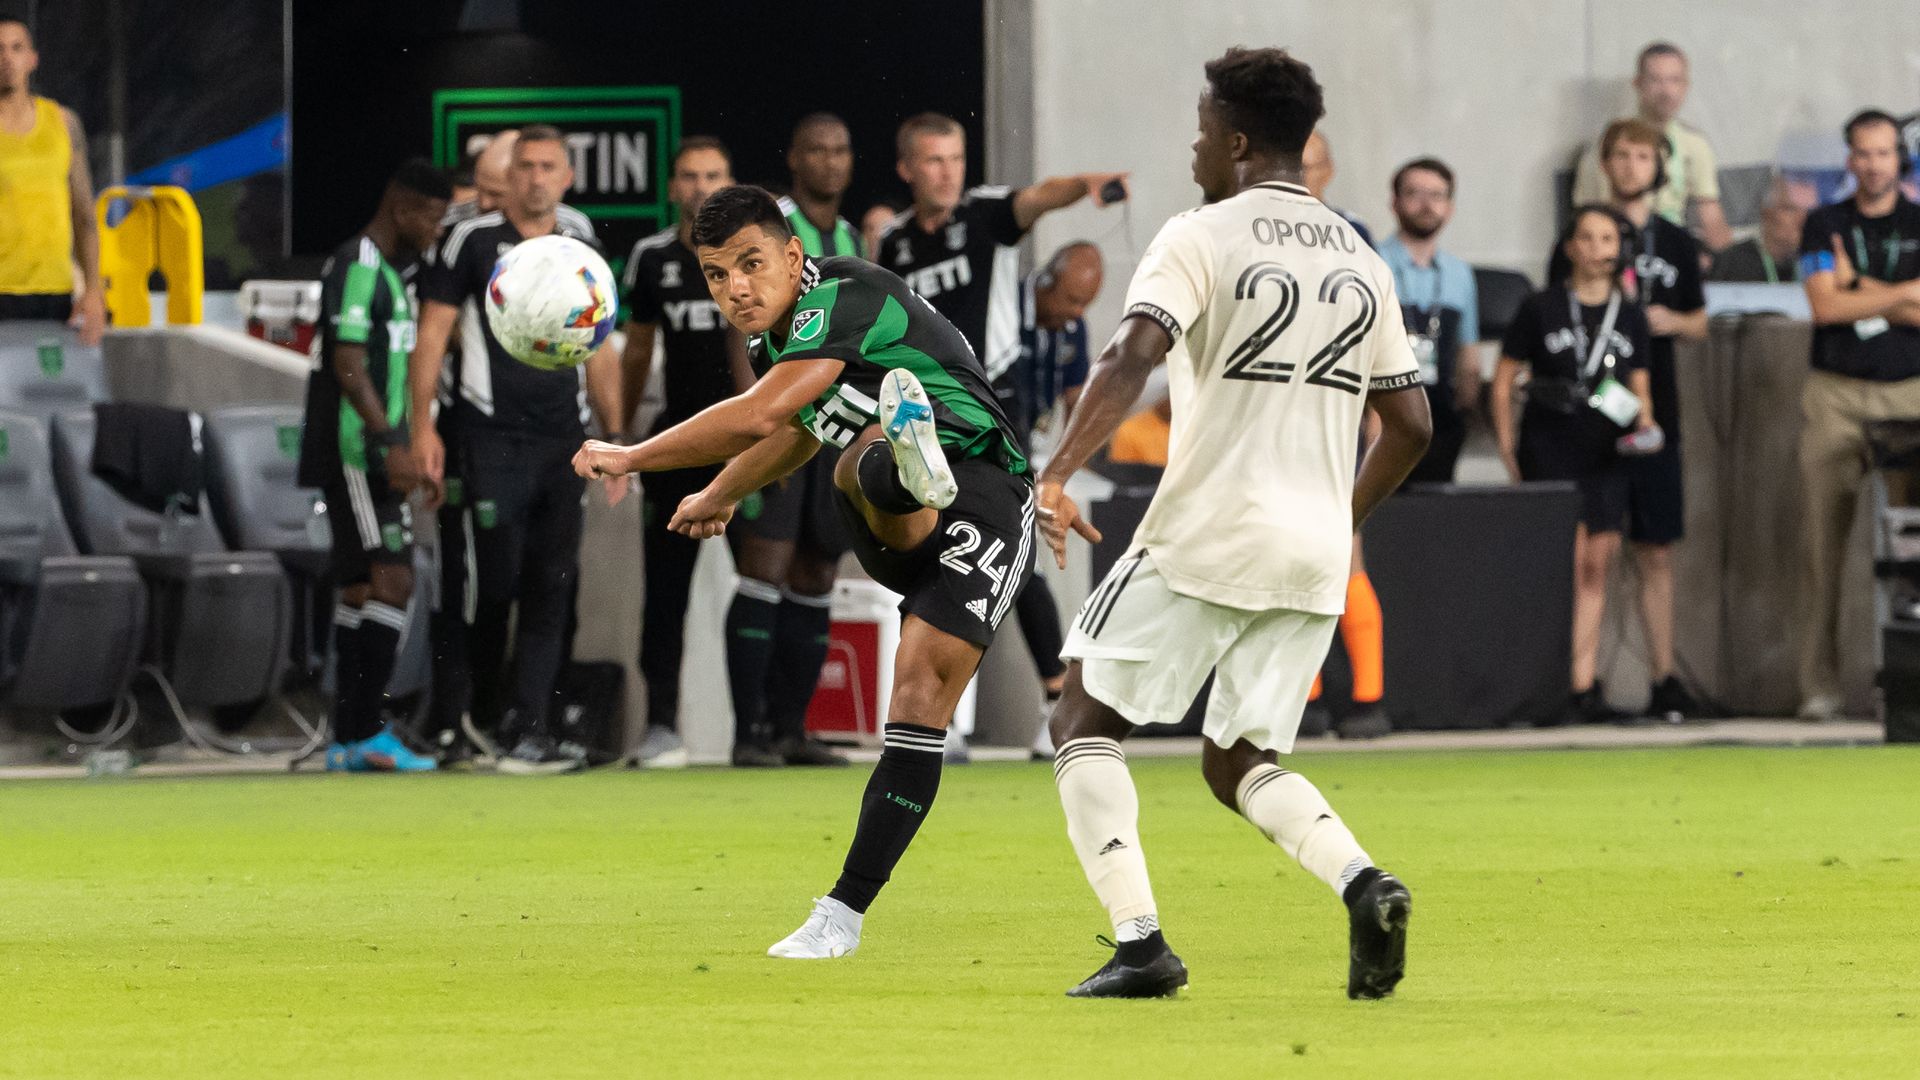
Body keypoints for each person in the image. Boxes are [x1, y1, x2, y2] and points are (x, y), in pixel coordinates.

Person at [1034, 47, 1433, 1000]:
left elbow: (1131, 356)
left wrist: (1055, 472)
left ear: (1241, 141)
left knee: (1080, 714)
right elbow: (1412, 423)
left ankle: (1140, 946)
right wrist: (1342, 518)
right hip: (1311, 550)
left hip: (1206, 529)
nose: (1195, 145)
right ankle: (1365, 882)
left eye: (1206, 128)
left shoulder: (1201, 234)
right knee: (1241, 758)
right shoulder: (1362, 257)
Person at [572, 184, 1035, 960]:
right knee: (853, 455)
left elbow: (758, 414)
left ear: (794, 256)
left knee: (918, 697)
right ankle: (908, 476)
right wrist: (720, 492)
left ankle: (842, 918)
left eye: (751, 264)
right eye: (717, 275)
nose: (736, 289)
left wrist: (634, 454)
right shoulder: (776, 343)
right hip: (906, 519)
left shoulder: (845, 294)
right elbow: (793, 431)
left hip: (987, 494)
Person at [875, 111, 1124, 759]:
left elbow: (1038, 196)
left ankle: (1056, 700)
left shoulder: (983, 215)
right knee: (930, 556)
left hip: (991, 410)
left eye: (955, 159)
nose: (947, 172)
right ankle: (939, 717)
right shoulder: (895, 244)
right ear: (906, 168)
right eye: (932, 161)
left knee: (1012, 560)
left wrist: (1083, 185)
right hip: (925, 416)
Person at [409, 125, 623, 774]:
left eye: (547, 166)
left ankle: (529, 728)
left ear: (567, 176)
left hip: (565, 440)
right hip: (489, 438)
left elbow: (603, 342)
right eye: (524, 166)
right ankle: (468, 716)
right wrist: (421, 425)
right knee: (491, 587)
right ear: (507, 176)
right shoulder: (472, 241)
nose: (534, 178)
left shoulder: (583, 240)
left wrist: (616, 440)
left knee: (551, 587)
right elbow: (431, 335)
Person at [718, 116, 871, 770]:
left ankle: (790, 729)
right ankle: (747, 734)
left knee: (816, 571)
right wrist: (758, 416)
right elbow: (742, 318)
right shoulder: (771, 226)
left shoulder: (853, 236)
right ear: (794, 157)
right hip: (783, 423)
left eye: (840, 150)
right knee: (765, 567)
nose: (830, 162)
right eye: (816, 150)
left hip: (834, 428)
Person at [295, 159, 452, 772]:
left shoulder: (390, 269)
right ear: (402, 207)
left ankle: (348, 737)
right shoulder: (359, 264)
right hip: (359, 450)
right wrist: (391, 443)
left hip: (372, 446)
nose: (436, 231)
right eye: (433, 218)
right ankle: (365, 732)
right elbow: (349, 362)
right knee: (395, 580)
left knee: (362, 586)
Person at [619, 137, 756, 769]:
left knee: (761, 586)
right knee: (666, 591)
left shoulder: (755, 257)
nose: (702, 187)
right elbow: (639, 351)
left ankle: (761, 729)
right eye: (690, 176)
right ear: (673, 186)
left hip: (755, 443)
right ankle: (661, 726)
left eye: (714, 176)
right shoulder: (651, 259)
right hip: (680, 442)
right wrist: (623, 436)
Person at [1494, 206, 1658, 725]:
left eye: (1607, 238)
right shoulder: (1539, 307)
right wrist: (1506, 448)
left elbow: (1639, 389)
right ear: (1569, 246)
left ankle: (1583, 684)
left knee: (1596, 569)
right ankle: (1548, 684)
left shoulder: (1629, 314)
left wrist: (1646, 429)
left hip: (1606, 451)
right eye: (1585, 237)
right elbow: (1502, 381)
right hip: (1549, 443)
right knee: (1558, 568)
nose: (1596, 248)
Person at [1796, 109, 1920, 723]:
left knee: (1913, 550)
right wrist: (1903, 293)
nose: (1873, 164)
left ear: (1901, 158)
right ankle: (1820, 687)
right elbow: (1823, 307)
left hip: (1911, 395)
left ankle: (1908, 688)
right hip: (1836, 394)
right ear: (1849, 160)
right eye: (1862, 154)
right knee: (1823, 545)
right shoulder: (1824, 223)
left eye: (1884, 153)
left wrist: (1862, 288)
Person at [1585, 118, 1709, 719]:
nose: (1632, 166)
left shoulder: (1677, 243)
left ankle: (1663, 676)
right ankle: (1582, 682)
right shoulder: (1585, 232)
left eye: (1644, 156)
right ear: (1607, 163)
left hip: (1655, 412)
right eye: (1622, 154)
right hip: (1590, 419)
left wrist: (1666, 322)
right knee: (1592, 553)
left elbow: (1700, 322)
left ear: (1658, 167)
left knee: (1656, 549)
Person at [420, 128, 517, 763]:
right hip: (463, 430)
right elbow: (429, 332)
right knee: (464, 579)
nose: (482, 201)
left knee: (518, 584)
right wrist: (420, 424)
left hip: (537, 433)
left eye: (493, 189)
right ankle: (449, 718)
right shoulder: (453, 240)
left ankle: (505, 716)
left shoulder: (566, 237)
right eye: (478, 187)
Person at [1302, 129, 1391, 740]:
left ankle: (1365, 701)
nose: (1296, 177)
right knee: (1276, 558)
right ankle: (1300, 702)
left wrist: (1378, 416)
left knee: (1344, 552)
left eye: (1308, 166)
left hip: (1335, 413)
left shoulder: (1352, 234)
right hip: (1262, 418)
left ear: (1328, 170)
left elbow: (1381, 331)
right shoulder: (1234, 224)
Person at [1012, 241, 1101, 758]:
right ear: (1045, 284)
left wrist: (1065, 469)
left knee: (1023, 571)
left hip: (1034, 454)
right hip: (982, 445)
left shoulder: (1071, 328)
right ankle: (1055, 695)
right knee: (1012, 573)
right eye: (1070, 301)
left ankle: (1055, 696)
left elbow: (1075, 398)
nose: (1075, 315)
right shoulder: (1007, 308)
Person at [0, 14, 104, 344]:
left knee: (50, 394)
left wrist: (93, 291)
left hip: (55, 293)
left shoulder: (62, 122)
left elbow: (84, 216)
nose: (6, 58)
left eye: (16, 48)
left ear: (32, 59)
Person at [1571, 42, 1732, 252]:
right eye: (1656, 80)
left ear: (1685, 85)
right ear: (1638, 84)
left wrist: (1729, 267)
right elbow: (1588, 214)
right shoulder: (1608, 144)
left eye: (1674, 80)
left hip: (1673, 247)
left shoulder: (1696, 145)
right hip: (1615, 247)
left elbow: (1711, 217)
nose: (1666, 91)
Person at [1378, 157, 1481, 483]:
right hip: (1384, 410)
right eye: (1414, 193)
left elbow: (1469, 352)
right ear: (1394, 203)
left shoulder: (1459, 273)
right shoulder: (1372, 260)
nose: (1426, 205)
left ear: (1449, 207)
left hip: (1440, 413)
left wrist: (1467, 405)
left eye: (1437, 195)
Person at [1710, 177, 1805, 284]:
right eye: (1790, 209)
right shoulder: (1734, 263)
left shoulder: (1816, 262)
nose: (1801, 217)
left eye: (1807, 209)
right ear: (1766, 212)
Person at [1302, 130, 1372, 247]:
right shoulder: (1263, 228)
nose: (1290, 177)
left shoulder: (1351, 231)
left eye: (1303, 168)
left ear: (1327, 171)